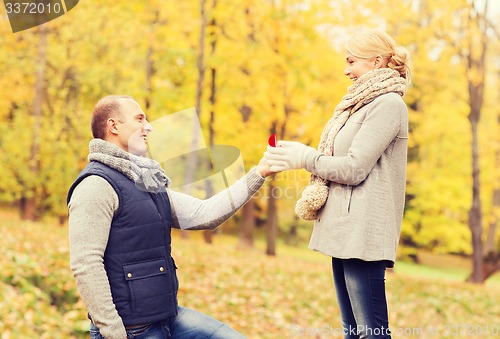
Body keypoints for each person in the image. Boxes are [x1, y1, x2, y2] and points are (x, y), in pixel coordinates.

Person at [67, 95, 273, 339]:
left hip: (168, 317)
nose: (149, 126)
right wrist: (113, 331)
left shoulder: (147, 180)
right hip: (130, 330)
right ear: (114, 126)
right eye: (140, 119)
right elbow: (86, 264)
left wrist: (259, 173)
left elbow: (203, 214)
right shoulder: (96, 185)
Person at [265, 29, 412, 339]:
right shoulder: (358, 105)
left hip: (363, 236)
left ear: (375, 61)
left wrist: (306, 158)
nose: (346, 70)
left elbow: (354, 168)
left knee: (372, 333)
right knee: (353, 332)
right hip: (345, 231)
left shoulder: (387, 105)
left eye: (351, 62)